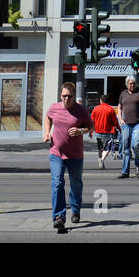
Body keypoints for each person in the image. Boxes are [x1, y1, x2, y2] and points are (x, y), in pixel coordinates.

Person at [42, 83, 93, 233]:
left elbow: (91, 126)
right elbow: (48, 117)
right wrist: (46, 132)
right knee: (57, 183)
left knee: (76, 184)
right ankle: (59, 217)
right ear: (60, 95)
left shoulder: (80, 110)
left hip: (75, 155)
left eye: (69, 96)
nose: (66, 99)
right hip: (56, 153)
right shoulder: (54, 108)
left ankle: (75, 210)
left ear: (74, 96)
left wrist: (80, 131)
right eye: (64, 96)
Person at [116, 76, 139, 179]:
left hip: (137, 123)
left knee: (136, 144)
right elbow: (119, 107)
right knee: (126, 148)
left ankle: (138, 165)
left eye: (134, 83)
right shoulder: (123, 94)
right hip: (126, 124)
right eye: (130, 83)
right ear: (127, 84)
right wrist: (120, 119)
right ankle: (125, 172)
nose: (132, 85)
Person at [90, 94, 119, 170]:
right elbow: (115, 121)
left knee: (100, 148)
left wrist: (90, 131)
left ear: (101, 100)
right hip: (108, 131)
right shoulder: (110, 109)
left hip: (98, 131)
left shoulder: (95, 109)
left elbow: (92, 121)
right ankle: (102, 159)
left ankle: (100, 159)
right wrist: (119, 128)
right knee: (107, 148)